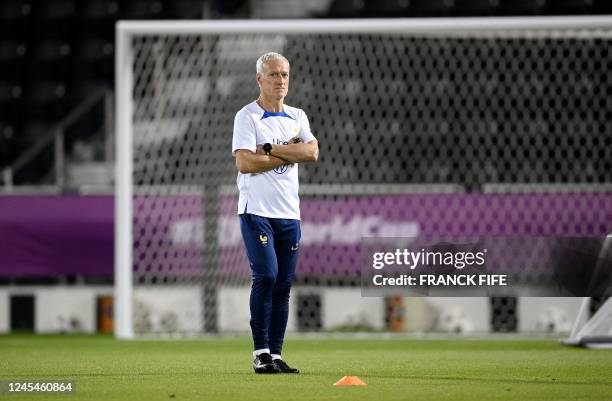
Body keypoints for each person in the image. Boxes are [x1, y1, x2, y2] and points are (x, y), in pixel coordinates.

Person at [232, 52, 319, 374]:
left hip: (289, 214)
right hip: (256, 211)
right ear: (259, 79)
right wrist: (289, 151)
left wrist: (268, 149)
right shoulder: (247, 116)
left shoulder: (298, 115)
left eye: (284, 75)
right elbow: (244, 162)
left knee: (283, 285)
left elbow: (311, 151)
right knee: (266, 276)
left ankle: (277, 354)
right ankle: (260, 352)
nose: (280, 80)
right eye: (273, 75)